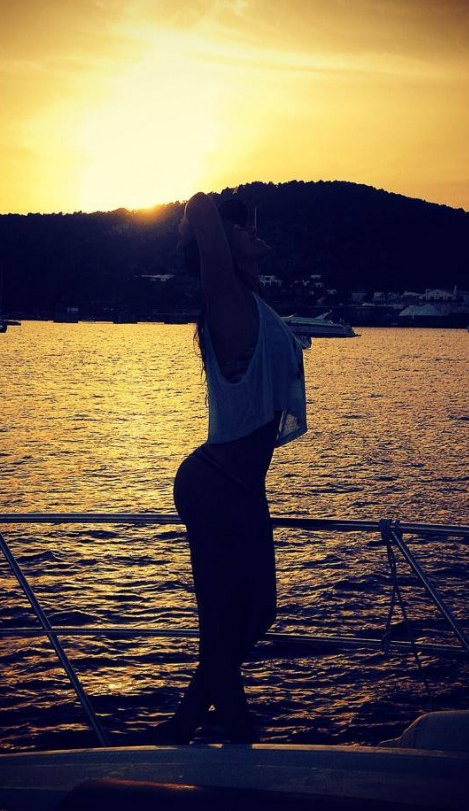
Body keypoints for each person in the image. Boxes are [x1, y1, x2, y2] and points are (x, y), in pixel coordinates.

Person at [154, 192, 307, 744]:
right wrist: (206, 218)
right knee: (223, 627)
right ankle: (224, 730)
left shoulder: (251, 303)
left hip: (241, 487)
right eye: (242, 226)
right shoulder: (226, 298)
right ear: (221, 244)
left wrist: (231, 224)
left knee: (258, 612)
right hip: (216, 485)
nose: (253, 228)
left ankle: (188, 724)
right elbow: (199, 208)